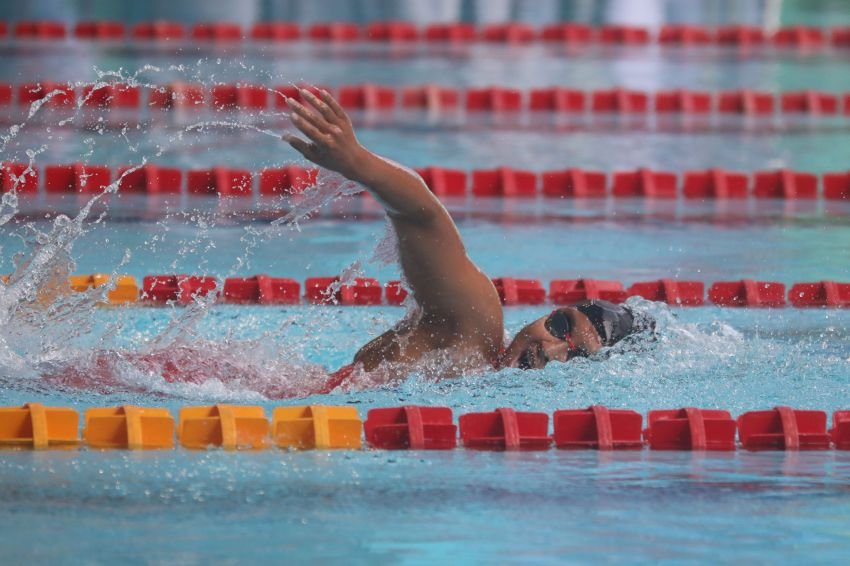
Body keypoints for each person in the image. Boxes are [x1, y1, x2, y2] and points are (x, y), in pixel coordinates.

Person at [282, 88, 646, 390]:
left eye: (577, 355)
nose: (548, 350)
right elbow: (422, 215)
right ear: (548, 313)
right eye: (560, 326)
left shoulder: (487, 380)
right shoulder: (472, 326)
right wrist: (359, 163)